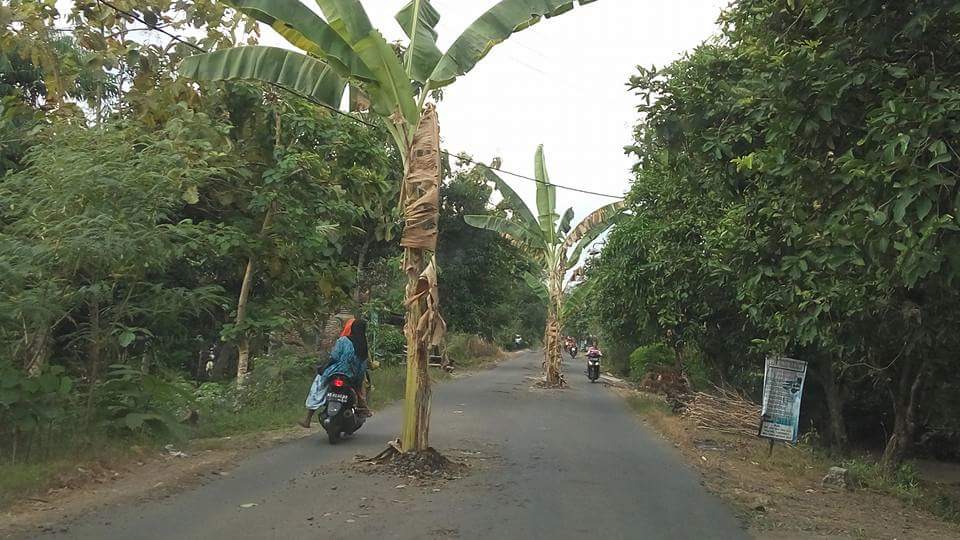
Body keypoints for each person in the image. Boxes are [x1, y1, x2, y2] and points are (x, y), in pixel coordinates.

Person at [299, 318, 370, 428]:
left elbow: (335, 356)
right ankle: (362, 407)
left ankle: (308, 419)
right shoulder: (364, 346)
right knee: (359, 390)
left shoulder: (344, 340)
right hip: (353, 377)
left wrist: (324, 367)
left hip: (336, 371)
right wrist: (357, 380)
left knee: (319, 385)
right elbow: (363, 366)